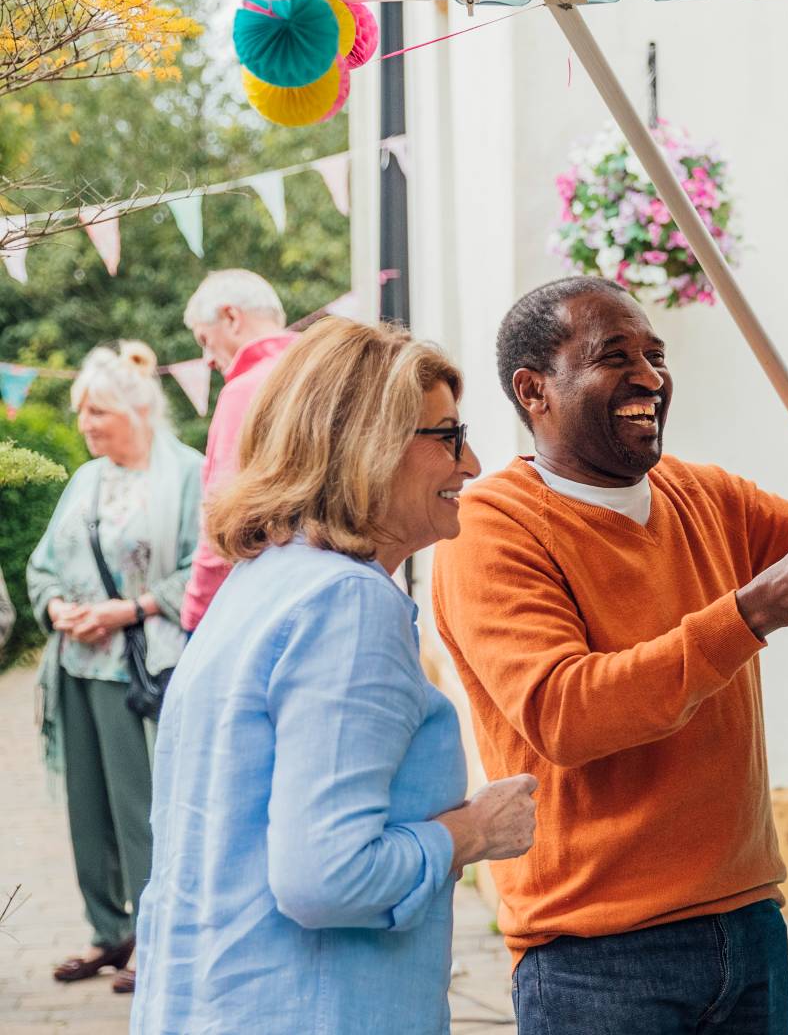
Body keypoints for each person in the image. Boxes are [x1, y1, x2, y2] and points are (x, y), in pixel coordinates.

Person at [432, 276, 788, 1034]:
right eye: (615, 357)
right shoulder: (492, 527)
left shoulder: (698, 493)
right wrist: (755, 611)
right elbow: (566, 713)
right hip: (596, 955)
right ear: (533, 389)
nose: (650, 378)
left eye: (655, 354)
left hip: (747, 923)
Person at [133, 319, 539, 1034]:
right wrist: (473, 832)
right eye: (446, 436)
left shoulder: (260, 583)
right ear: (368, 445)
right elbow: (328, 876)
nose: (471, 462)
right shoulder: (346, 604)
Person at [26, 342, 202, 994]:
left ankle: (159, 939)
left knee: (141, 809)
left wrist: (128, 609)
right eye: (82, 414)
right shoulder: (86, 480)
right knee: (86, 809)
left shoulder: (186, 474)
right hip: (76, 664)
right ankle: (109, 932)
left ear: (137, 410)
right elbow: (42, 563)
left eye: (97, 412)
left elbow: (202, 570)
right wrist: (57, 608)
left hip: (141, 671)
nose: (85, 426)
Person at [177, 268, 298, 631]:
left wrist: (196, 614)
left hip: (267, 604)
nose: (208, 360)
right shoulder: (329, 374)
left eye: (204, 339)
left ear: (230, 317)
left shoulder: (246, 391)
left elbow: (222, 521)